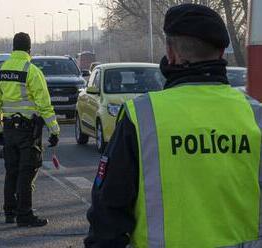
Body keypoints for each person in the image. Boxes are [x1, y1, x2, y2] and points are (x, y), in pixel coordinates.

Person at [85, 4, 262, 248]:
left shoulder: (142, 115)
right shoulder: (255, 115)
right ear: (222, 53)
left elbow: (108, 214)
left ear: (171, 52)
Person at [0, 32, 60, 227]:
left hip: (9, 130)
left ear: (13, 48)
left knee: (11, 170)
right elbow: (45, 105)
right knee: (27, 172)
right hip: (28, 132)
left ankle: (9, 212)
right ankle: (25, 214)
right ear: (29, 49)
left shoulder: (0, 70)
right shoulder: (32, 71)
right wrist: (55, 130)